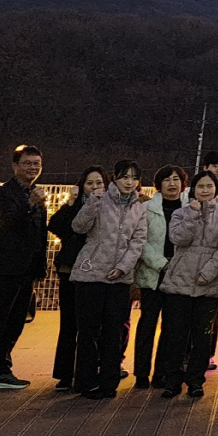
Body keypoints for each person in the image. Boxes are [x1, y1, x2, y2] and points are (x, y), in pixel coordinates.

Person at [0, 144, 48, 399]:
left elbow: (39, 233)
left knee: (16, 322)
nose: (33, 168)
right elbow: (8, 223)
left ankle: (2, 369)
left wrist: (40, 266)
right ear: (15, 166)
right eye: (28, 163)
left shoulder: (36, 193)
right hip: (6, 269)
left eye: (37, 163)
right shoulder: (2, 193)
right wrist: (29, 204)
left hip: (27, 270)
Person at [70, 160, 148, 399]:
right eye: (125, 176)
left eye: (134, 177)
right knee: (88, 331)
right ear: (114, 178)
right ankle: (85, 380)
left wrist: (123, 268)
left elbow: (138, 242)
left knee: (114, 332)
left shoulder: (140, 207)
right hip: (91, 274)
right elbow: (78, 227)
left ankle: (108, 382)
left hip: (119, 280)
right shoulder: (100, 199)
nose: (129, 182)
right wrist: (92, 201)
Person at [157, 170, 218, 399]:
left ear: (216, 190)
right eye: (200, 186)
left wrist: (208, 273)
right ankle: (172, 380)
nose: (205, 190)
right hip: (179, 281)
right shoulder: (181, 213)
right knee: (175, 335)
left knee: (202, 337)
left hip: (208, 286)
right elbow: (178, 239)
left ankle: (195, 381)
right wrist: (193, 215)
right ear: (193, 190)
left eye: (209, 186)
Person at [48, 166, 105, 391]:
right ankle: (64, 373)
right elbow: (55, 226)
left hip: (96, 271)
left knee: (93, 326)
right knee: (69, 323)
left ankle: (92, 369)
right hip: (70, 269)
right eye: (89, 183)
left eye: (99, 183)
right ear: (81, 186)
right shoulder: (74, 205)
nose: (94, 187)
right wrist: (70, 203)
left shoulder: (109, 207)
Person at [133, 165, 187, 390]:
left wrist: (175, 265)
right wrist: (160, 263)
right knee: (147, 323)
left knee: (171, 327)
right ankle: (141, 373)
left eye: (176, 180)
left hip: (179, 274)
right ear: (158, 184)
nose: (172, 184)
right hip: (152, 273)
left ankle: (162, 373)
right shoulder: (145, 208)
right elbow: (140, 241)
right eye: (167, 180)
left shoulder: (190, 208)